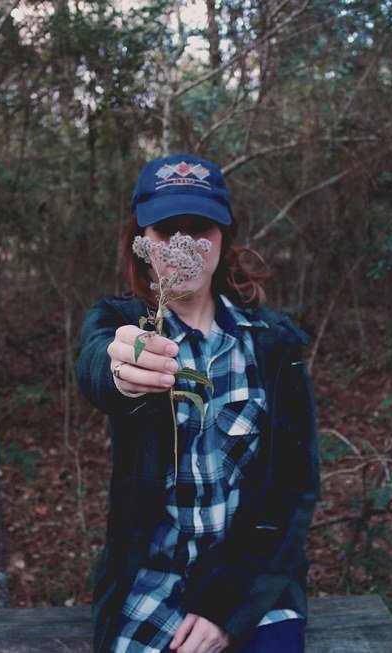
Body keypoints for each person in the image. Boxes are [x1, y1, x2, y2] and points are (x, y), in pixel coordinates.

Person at [76, 152, 320, 653]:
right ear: (142, 241)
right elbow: (98, 362)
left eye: (199, 230)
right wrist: (120, 370)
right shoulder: (124, 323)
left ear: (223, 238)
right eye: (166, 231)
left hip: (252, 577)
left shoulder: (274, 343)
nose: (182, 246)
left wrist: (226, 608)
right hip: (151, 580)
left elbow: (292, 490)